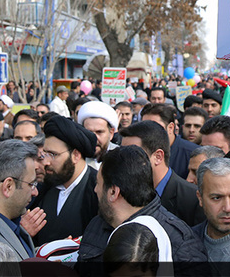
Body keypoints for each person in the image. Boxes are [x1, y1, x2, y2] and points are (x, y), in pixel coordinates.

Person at [76, 145, 208, 268]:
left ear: (113, 192)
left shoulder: (180, 244)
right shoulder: (97, 226)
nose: (95, 190)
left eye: (98, 184)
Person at [30, 115, 100, 246]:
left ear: (75, 155)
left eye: (53, 155)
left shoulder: (98, 189)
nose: (45, 162)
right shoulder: (42, 188)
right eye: (45, 154)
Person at [121, 120, 204, 227]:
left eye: (133, 155)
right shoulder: (122, 194)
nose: (124, 161)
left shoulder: (193, 199)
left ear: (158, 157)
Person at [142, 104, 199, 180]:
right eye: (144, 128)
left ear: (170, 128)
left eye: (154, 127)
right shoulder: (139, 152)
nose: (148, 132)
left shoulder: (193, 153)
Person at [77, 101, 119, 170]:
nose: (94, 138)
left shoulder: (121, 158)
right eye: (89, 132)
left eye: (99, 132)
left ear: (111, 133)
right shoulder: (74, 158)